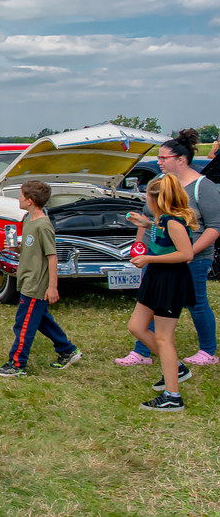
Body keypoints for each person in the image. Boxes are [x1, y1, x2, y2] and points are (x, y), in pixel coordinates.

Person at [115, 129, 220, 367]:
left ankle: (207, 351)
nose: (159, 161)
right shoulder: (159, 184)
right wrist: (140, 245)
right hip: (158, 255)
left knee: (197, 302)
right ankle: (142, 352)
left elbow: (214, 227)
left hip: (194, 258)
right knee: (150, 299)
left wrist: (189, 253)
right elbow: (149, 217)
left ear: (180, 160)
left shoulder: (203, 187)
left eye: (164, 158)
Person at [0, 180, 82, 377]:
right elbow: (31, 248)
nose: (19, 198)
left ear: (30, 201)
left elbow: (52, 258)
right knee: (41, 320)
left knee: (23, 324)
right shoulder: (28, 220)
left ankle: (17, 364)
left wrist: (52, 287)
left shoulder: (43, 226)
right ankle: (67, 350)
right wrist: (15, 248)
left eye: (21, 196)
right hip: (26, 280)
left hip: (37, 284)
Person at [126, 174, 197, 411]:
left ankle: (172, 396)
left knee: (164, 338)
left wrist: (149, 257)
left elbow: (186, 254)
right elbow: (160, 232)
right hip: (156, 276)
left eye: (148, 197)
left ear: (158, 199)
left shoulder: (174, 222)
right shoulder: (162, 219)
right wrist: (144, 223)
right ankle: (176, 368)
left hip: (170, 281)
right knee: (136, 326)